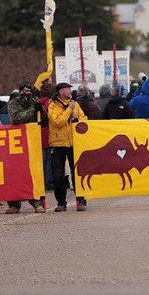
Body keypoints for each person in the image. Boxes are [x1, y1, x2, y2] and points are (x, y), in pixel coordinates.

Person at [5, 82, 47, 213]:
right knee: (14, 173)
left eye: (29, 92)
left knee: (33, 172)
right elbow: (17, 118)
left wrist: (42, 110)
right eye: (24, 92)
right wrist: (33, 109)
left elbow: (44, 123)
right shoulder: (13, 103)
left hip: (32, 142)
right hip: (16, 142)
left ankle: (36, 201)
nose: (26, 95)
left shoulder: (34, 102)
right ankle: (14, 203)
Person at [48, 83, 88, 212]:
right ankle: (61, 202)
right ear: (61, 92)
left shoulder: (75, 104)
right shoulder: (53, 105)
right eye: (67, 89)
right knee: (58, 174)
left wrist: (78, 119)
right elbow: (57, 122)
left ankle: (81, 200)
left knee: (78, 172)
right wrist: (69, 110)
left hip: (74, 143)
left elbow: (84, 120)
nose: (70, 91)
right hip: (58, 144)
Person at [38, 82, 56, 190]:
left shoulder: (38, 102)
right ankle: (49, 182)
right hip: (48, 134)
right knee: (49, 159)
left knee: (43, 159)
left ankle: (43, 181)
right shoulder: (50, 103)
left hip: (39, 134)